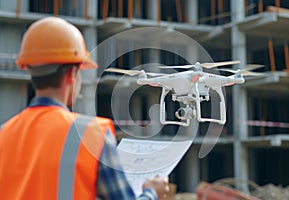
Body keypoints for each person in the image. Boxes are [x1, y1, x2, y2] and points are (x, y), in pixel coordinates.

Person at [0, 17, 169, 200]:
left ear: (30, 70)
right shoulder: (90, 133)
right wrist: (152, 192)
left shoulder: (4, 134)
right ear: (72, 74)